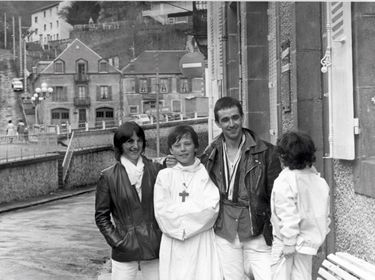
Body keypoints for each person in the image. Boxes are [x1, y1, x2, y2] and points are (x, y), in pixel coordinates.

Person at [200, 96, 282, 280]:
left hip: (257, 229)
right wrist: (168, 162)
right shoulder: (210, 153)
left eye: (235, 117)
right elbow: (191, 174)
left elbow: (277, 198)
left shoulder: (267, 152)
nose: (231, 124)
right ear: (218, 123)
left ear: (242, 117)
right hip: (225, 231)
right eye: (225, 120)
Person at [95, 121, 164, 280]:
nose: (136, 145)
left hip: (154, 244)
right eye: (130, 141)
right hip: (125, 248)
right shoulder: (108, 177)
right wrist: (118, 241)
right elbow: (101, 217)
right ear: (120, 145)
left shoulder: (156, 170)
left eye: (139, 140)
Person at [154, 125, 223, 280]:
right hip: (174, 242)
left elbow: (211, 208)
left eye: (187, 144)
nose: (183, 149)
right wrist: (181, 229)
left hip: (201, 241)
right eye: (177, 146)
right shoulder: (164, 176)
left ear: (196, 146)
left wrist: (183, 221)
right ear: (171, 150)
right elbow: (161, 211)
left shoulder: (206, 173)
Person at [270, 131, 330, 280]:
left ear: (283, 156)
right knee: (303, 276)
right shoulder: (318, 180)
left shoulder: (285, 180)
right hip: (308, 243)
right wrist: (318, 238)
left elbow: (287, 213)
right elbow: (323, 215)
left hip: (288, 244)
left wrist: (289, 242)